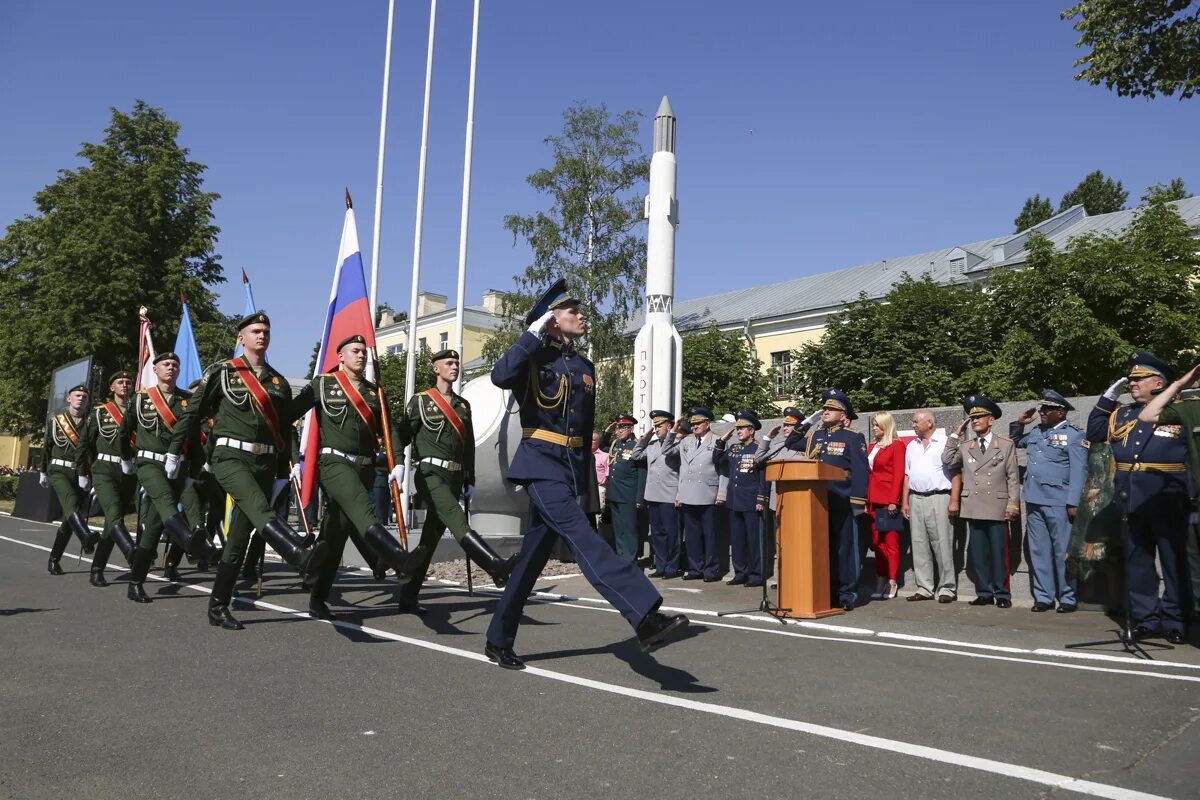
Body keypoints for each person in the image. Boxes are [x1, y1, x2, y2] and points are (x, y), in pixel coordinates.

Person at [484, 279, 687, 669]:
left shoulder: (583, 366)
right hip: (541, 465)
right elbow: (499, 375)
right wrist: (532, 333)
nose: (581, 316)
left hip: (570, 471)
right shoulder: (531, 357)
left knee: (529, 562)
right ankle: (643, 614)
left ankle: (497, 639)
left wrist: (585, 485)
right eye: (571, 311)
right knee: (585, 540)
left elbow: (581, 428)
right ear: (552, 320)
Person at [172, 311, 328, 630]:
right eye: (256, 330)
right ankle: (299, 556)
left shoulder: (277, 381)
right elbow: (193, 413)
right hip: (229, 458)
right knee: (259, 509)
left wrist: (312, 394)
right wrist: (176, 452)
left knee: (239, 539)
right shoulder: (223, 372)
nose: (262, 335)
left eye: (266, 331)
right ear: (241, 337)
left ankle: (218, 606)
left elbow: (284, 423)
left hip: (265, 463)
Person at [284, 334, 418, 620]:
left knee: (335, 534)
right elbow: (286, 415)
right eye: (355, 351)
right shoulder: (323, 384)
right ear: (341, 356)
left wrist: (399, 461)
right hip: (334, 463)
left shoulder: (374, 392)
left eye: (363, 351)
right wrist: (289, 453)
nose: (361, 355)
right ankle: (397, 558)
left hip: (365, 467)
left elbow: (390, 429)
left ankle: (317, 594)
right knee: (362, 508)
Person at [396, 347, 517, 615]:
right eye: (449, 363)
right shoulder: (421, 402)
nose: (454, 367)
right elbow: (401, 434)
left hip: (453, 476)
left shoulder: (463, 406)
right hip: (430, 475)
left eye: (456, 363)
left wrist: (470, 478)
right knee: (457, 520)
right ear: (435, 368)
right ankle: (495, 565)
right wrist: (396, 462)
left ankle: (407, 595)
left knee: (429, 540)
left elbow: (468, 447)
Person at [1092, 352, 1190, 643]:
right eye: (1131, 380)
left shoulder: (1178, 410)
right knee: (1138, 562)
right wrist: (1107, 399)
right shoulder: (1123, 414)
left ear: (1158, 382)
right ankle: (1146, 618)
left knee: (1175, 563)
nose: (1132, 384)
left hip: (1169, 496)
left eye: (1139, 379)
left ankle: (1177, 619)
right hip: (1131, 499)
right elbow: (1096, 432)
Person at [119, 352, 209, 602]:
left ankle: (135, 583)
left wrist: (193, 471)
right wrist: (127, 459)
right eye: (166, 364)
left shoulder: (187, 401)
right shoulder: (141, 399)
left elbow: (194, 440)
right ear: (155, 369)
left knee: (153, 529)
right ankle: (189, 537)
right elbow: (124, 432)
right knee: (164, 499)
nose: (171, 367)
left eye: (175, 365)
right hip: (148, 463)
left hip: (177, 466)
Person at [1009, 390, 1087, 613]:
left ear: (1060, 412)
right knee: (1039, 551)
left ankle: (1068, 597)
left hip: (1059, 502)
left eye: (1047, 409)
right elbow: (1015, 442)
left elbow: (1079, 471)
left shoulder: (1074, 436)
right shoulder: (1036, 432)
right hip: (1034, 500)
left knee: (1063, 552)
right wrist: (1019, 423)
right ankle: (1044, 597)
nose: (1042, 412)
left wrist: (1074, 502)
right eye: (1042, 409)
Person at [793, 389, 868, 610]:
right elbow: (791, 441)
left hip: (842, 500)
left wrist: (857, 502)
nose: (825, 412)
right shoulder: (816, 436)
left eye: (831, 409)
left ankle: (847, 593)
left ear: (843, 414)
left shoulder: (853, 438)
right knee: (823, 549)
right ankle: (828, 591)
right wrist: (809, 420)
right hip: (817, 502)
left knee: (845, 549)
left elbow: (861, 471)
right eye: (824, 408)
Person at [943, 395, 1020, 609]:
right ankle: (984, 592)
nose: (975, 421)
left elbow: (1013, 478)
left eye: (980, 417)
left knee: (999, 553)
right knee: (978, 554)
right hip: (974, 506)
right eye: (972, 418)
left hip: (997, 506)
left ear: (991, 420)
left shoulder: (1005, 444)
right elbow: (948, 461)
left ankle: (1002, 593)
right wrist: (954, 436)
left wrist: (1013, 505)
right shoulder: (966, 446)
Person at [81, 370, 137, 586]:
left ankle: (97, 568)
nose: (125, 385)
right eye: (120, 382)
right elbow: (85, 444)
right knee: (113, 512)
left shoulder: (139, 411)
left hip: (129, 471)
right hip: (104, 469)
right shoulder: (100, 413)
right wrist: (84, 472)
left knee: (112, 523)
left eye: (128, 382)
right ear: (111, 388)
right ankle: (131, 552)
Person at [901, 409, 959, 603]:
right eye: (913, 421)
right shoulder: (912, 446)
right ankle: (924, 588)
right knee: (919, 545)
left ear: (930, 423)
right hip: (916, 499)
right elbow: (907, 475)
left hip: (939, 497)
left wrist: (954, 500)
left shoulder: (945, 443)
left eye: (916, 422)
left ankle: (947, 589)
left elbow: (956, 474)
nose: (913, 425)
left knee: (942, 543)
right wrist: (905, 500)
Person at [40, 383, 98, 573]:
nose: (81, 398)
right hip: (59, 471)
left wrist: (92, 475)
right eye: (77, 395)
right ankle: (86, 536)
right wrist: (43, 471)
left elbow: (94, 451)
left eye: (84, 396)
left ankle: (53, 559)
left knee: (69, 518)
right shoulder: (56, 421)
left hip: (80, 474)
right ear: (69, 399)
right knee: (70, 503)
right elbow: (47, 447)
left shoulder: (91, 422)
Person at [713, 409, 767, 587]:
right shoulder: (734, 448)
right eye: (737, 428)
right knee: (736, 541)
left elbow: (763, 476)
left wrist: (761, 499)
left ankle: (756, 575)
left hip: (751, 501)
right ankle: (740, 572)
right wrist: (722, 441)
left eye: (742, 428)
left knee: (753, 541)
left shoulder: (758, 448)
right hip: (734, 501)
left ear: (751, 430)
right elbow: (717, 460)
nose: (739, 431)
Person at [630, 411, 683, 578]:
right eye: (655, 426)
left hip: (669, 494)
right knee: (657, 533)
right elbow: (636, 455)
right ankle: (660, 565)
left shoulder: (678, 443)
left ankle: (672, 567)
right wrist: (644, 438)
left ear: (670, 426)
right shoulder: (651, 445)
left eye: (660, 426)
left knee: (671, 533)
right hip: (653, 494)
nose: (657, 428)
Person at [676, 406, 724, 581]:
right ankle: (695, 568)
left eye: (698, 423)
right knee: (692, 535)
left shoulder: (717, 441)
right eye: (693, 423)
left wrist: (721, 494)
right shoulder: (686, 442)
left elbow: (723, 470)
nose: (695, 426)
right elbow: (683, 468)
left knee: (710, 535)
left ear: (707, 424)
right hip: (689, 493)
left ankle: (711, 570)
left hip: (708, 492)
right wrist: (679, 493)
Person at [866, 410, 906, 600]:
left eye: (877, 425)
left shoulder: (897, 446)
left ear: (886, 426)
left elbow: (898, 475)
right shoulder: (872, 446)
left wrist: (893, 501)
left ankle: (892, 580)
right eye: (873, 424)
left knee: (891, 544)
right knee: (877, 543)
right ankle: (880, 579)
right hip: (872, 500)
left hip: (887, 501)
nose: (874, 428)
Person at [604, 413, 646, 562]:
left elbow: (642, 473)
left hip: (629, 494)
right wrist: (607, 433)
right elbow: (603, 446)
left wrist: (639, 498)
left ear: (630, 428)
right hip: (615, 493)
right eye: (617, 428)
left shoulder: (636, 446)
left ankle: (630, 558)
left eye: (622, 428)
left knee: (629, 529)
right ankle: (621, 556)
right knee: (618, 529)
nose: (618, 431)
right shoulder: (617, 444)